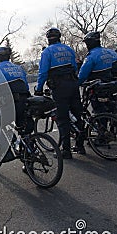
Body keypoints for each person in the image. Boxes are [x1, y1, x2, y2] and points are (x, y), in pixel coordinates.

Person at [35, 28, 85, 159]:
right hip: (72, 84)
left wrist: (39, 88)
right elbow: (74, 67)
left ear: (48, 39)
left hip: (59, 87)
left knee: (62, 119)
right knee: (77, 114)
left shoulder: (47, 52)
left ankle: (66, 150)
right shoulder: (68, 49)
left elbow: (43, 72)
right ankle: (81, 146)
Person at [78, 31, 117, 114]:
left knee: (99, 110)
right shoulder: (108, 52)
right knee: (110, 108)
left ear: (89, 43)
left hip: (98, 87)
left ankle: (101, 125)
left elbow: (82, 76)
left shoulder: (91, 56)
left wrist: (76, 84)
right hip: (110, 83)